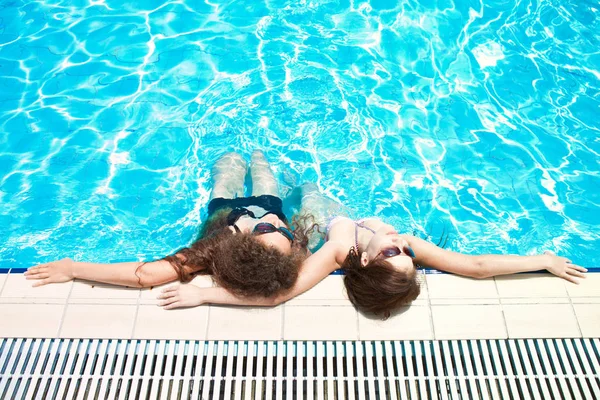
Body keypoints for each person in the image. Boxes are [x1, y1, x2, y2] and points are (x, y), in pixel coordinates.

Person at [158, 183, 588, 318]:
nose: (403, 245)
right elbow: (475, 267)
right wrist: (542, 260)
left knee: (279, 191)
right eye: (407, 254)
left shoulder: (339, 248)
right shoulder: (405, 245)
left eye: (393, 254)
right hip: (312, 204)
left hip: (298, 215)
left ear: (365, 261)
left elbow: (278, 295)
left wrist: (204, 293)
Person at [25, 151, 317, 299]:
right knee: (263, 171)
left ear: (243, 244)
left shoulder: (220, 244)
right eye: (284, 232)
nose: (274, 224)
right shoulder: (279, 226)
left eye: (267, 230)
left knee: (226, 173)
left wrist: (73, 269)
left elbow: (145, 275)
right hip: (269, 200)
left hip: (226, 209)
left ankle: (233, 159)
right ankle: (255, 155)